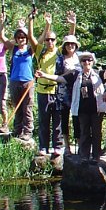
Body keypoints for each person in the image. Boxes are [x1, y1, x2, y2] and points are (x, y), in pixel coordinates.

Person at [3, 15, 39, 142]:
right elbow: (2, 37)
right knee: (17, 107)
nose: (21, 39)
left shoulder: (30, 50)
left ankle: (28, 131)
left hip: (27, 81)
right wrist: (3, 23)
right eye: (18, 37)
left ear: (27, 38)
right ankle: (17, 130)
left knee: (27, 108)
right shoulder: (14, 49)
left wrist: (30, 22)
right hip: (14, 81)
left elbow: (37, 40)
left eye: (23, 37)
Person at [33, 15, 63, 156]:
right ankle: (43, 146)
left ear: (56, 41)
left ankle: (57, 146)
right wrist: (45, 24)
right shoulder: (40, 51)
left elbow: (71, 39)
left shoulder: (59, 51)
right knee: (44, 120)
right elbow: (30, 37)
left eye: (52, 39)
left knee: (57, 120)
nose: (50, 41)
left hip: (57, 90)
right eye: (47, 39)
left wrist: (72, 25)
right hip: (42, 91)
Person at [69, 51, 106, 162]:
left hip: (97, 109)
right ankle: (84, 156)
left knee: (96, 133)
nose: (86, 62)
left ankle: (96, 156)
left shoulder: (98, 74)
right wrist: (43, 75)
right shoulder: (76, 75)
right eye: (84, 60)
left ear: (93, 62)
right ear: (80, 62)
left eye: (89, 60)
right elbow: (60, 78)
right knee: (84, 132)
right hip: (82, 109)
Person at [57, 14, 81, 154]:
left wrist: (73, 24)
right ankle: (67, 146)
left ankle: (79, 145)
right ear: (64, 46)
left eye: (72, 44)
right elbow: (58, 76)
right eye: (68, 44)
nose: (70, 46)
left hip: (78, 91)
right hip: (64, 91)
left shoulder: (80, 57)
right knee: (64, 118)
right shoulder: (61, 59)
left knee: (77, 117)